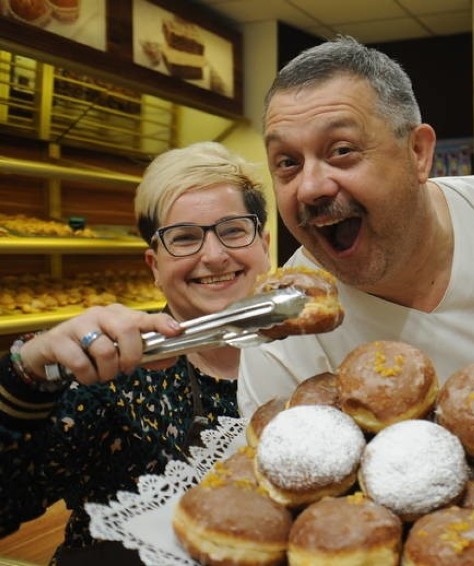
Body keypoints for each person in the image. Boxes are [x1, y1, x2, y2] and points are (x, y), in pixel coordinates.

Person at [236, 35, 474, 417]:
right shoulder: (282, 331)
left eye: (341, 151)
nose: (311, 187)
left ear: (418, 152)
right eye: (287, 163)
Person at [0, 141, 272, 562]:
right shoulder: (118, 370)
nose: (215, 256)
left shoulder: (305, 357)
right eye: (183, 238)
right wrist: (28, 374)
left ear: (264, 245)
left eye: (233, 230)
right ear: (154, 267)